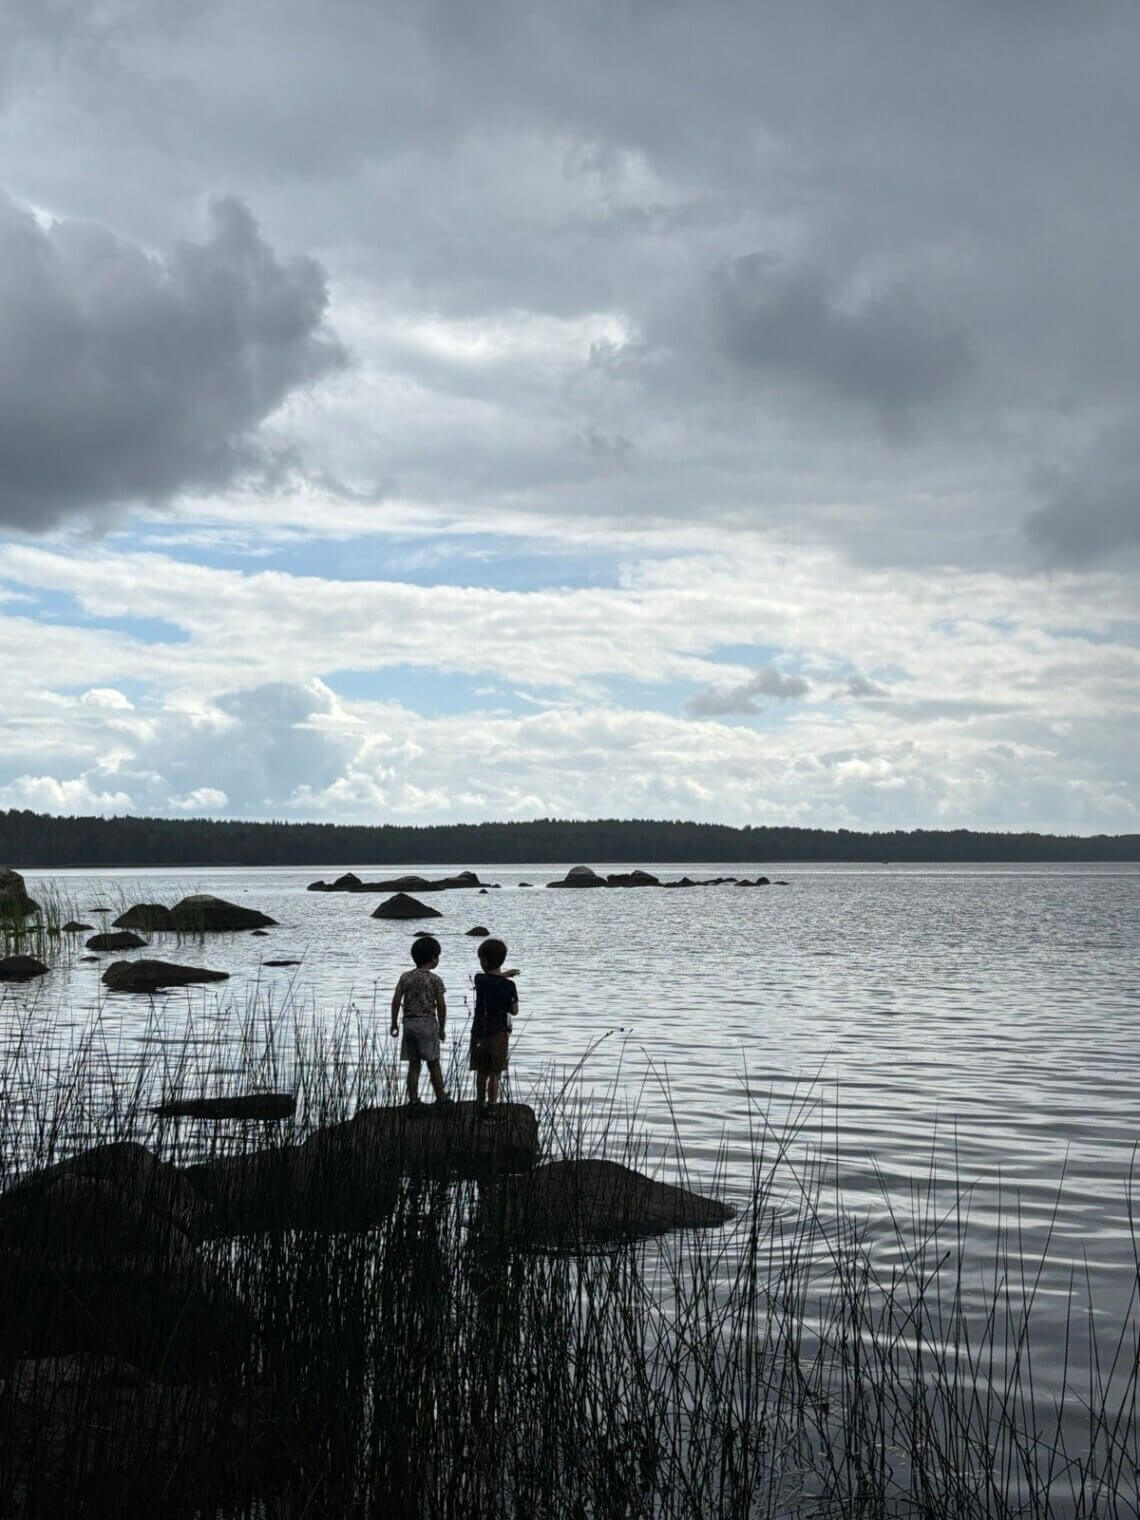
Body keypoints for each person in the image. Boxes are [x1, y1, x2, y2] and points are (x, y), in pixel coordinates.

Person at [390, 934, 451, 1107]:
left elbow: (396, 1000)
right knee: (434, 1064)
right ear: (433, 958)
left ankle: (413, 1099)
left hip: (409, 1024)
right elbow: (441, 1006)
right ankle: (441, 1097)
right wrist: (442, 1028)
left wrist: (394, 1023)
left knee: (414, 1065)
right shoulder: (435, 980)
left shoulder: (405, 977)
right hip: (428, 1025)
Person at [470, 937, 517, 1120]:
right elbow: (514, 1010)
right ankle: (492, 1107)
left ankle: (479, 1103)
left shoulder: (479, 979)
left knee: (481, 1072)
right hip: (498, 1035)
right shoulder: (509, 986)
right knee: (495, 1074)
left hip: (479, 1034)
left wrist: (503, 975)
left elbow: (491, 980)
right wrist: (505, 977)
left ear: (483, 961)